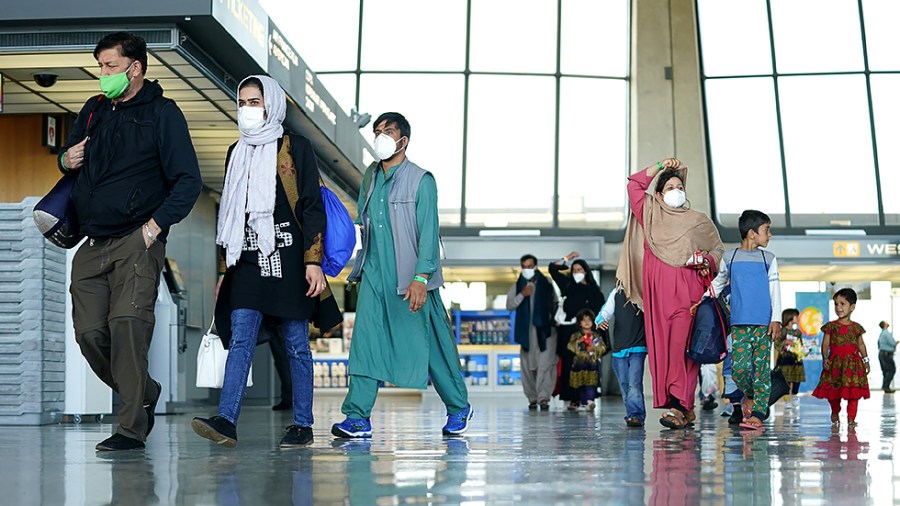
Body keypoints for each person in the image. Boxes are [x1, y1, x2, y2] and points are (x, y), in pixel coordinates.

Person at [59, 32, 202, 451]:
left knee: (127, 327)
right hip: (91, 242)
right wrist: (66, 158)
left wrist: (153, 229)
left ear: (135, 68)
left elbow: (187, 181)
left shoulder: (163, 114)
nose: (102, 75)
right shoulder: (92, 111)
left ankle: (130, 429)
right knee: (90, 334)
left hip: (137, 238)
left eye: (110, 66)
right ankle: (146, 393)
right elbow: (69, 159)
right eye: (99, 66)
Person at [191, 75, 336, 449]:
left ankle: (303, 423)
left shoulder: (295, 147)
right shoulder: (235, 151)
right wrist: (225, 269)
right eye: (242, 101)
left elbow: (311, 205)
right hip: (248, 259)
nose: (246, 109)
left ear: (271, 104)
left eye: (254, 102)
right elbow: (230, 215)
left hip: (289, 257)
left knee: (295, 344)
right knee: (240, 338)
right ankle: (226, 420)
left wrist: (313, 260)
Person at [332, 112, 471, 438]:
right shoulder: (370, 177)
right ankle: (357, 417)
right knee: (365, 345)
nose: (381, 136)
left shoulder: (422, 179)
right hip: (374, 276)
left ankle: (458, 406)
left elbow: (428, 232)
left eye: (388, 131)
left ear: (403, 140)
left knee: (432, 346)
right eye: (377, 131)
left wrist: (422, 277)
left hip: (411, 278)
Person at [618, 158, 724, 429]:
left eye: (680, 186)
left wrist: (706, 261)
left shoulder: (698, 220)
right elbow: (634, 185)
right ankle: (685, 408)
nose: (677, 191)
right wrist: (659, 164)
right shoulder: (649, 213)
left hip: (688, 294)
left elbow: (718, 251)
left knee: (681, 350)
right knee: (665, 352)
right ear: (659, 193)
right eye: (670, 187)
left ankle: (677, 407)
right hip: (658, 298)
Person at [700, 209, 781, 431]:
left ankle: (757, 413)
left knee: (762, 370)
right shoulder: (730, 257)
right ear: (752, 233)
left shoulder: (769, 259)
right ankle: (752, 395)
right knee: (739, 370)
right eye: (767, 230)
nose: (770, 235)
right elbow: (718, 284)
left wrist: (776, 320)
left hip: (764, 325)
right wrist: (702, 300)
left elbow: (775, 290)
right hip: (738, 324)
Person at [548, 253, 605, 410]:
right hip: (569, 333)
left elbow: (601, 314)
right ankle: (572, 399)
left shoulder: (595, 291)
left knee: (589, 365)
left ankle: (588, 398)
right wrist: (566, 259)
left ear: (586, 271)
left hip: (589, 334)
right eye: (574, 270)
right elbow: (552, 268)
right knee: (569, 366)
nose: (577, 273)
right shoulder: (568, 285)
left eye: (580, 270)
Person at [812, 288, 871, 427]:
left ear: (852, 307)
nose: (838, 307)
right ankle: (835, 411)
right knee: (834, 391)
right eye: (836, 304)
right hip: (835, 364)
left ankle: (851, 418)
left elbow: (861, 345)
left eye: (842, 304)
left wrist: (866, 360)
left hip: (853, 365)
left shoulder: (857, 328)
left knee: (854, 393)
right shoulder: (831, 326)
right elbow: (825, 343)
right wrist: (825, 357)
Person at [507, 254, 558, 410]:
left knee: (546, 365)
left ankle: (544, 398)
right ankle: (532, 397)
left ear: (536, 267)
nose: (526, 269)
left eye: (530, 266)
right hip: (526, 334)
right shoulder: (518, 285)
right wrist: (523, 294)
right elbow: (509, 305)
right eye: (524, 266)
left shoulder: (547, 283)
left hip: (546, 332)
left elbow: (556, 304)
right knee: (528, 367)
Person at [596, 285, 647, 427]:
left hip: (638, 347)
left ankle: (636, 415)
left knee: (634, 384)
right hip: (619, 349)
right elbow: (604, 312)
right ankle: (632, 413)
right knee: (624, 384)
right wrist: (601, 320)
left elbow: (651, 312)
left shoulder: (644, 291)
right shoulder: (616, 293)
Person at [567, 309, 603, 411]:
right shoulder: (576, 336)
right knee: (580, 383)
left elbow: (602, 347)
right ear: (579, 322)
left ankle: (590, 401)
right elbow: (570, 346)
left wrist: (594, 349)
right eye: (584, 320)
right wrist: (578, 342)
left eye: (589, 320)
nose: (587, 322)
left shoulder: (596, 336)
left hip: (592, 363)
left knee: (591, 382)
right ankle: (583, 402)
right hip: (579, 363)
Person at [775, 308, 805, 408]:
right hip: (784, 360)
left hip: (796, 360)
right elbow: (777, 345)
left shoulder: (798, 332)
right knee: (786, 380)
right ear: (790, 317)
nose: (798, 318)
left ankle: (795, 396)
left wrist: (803, 350)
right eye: (796, 316)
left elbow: (801, 345)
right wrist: (786, 342)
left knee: (796, 380)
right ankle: (787, 400)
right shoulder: (781, 331)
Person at [877, 321, 897, 393]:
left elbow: (879, 344)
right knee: (892, 370)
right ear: (884, 325)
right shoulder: (886, 333)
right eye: (886, 322)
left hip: (881, 353)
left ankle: (885, 387)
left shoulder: (882, 334)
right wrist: (896, 342)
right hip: (886, 354)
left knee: (885, 370)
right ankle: (886, 386)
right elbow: (892, 343)